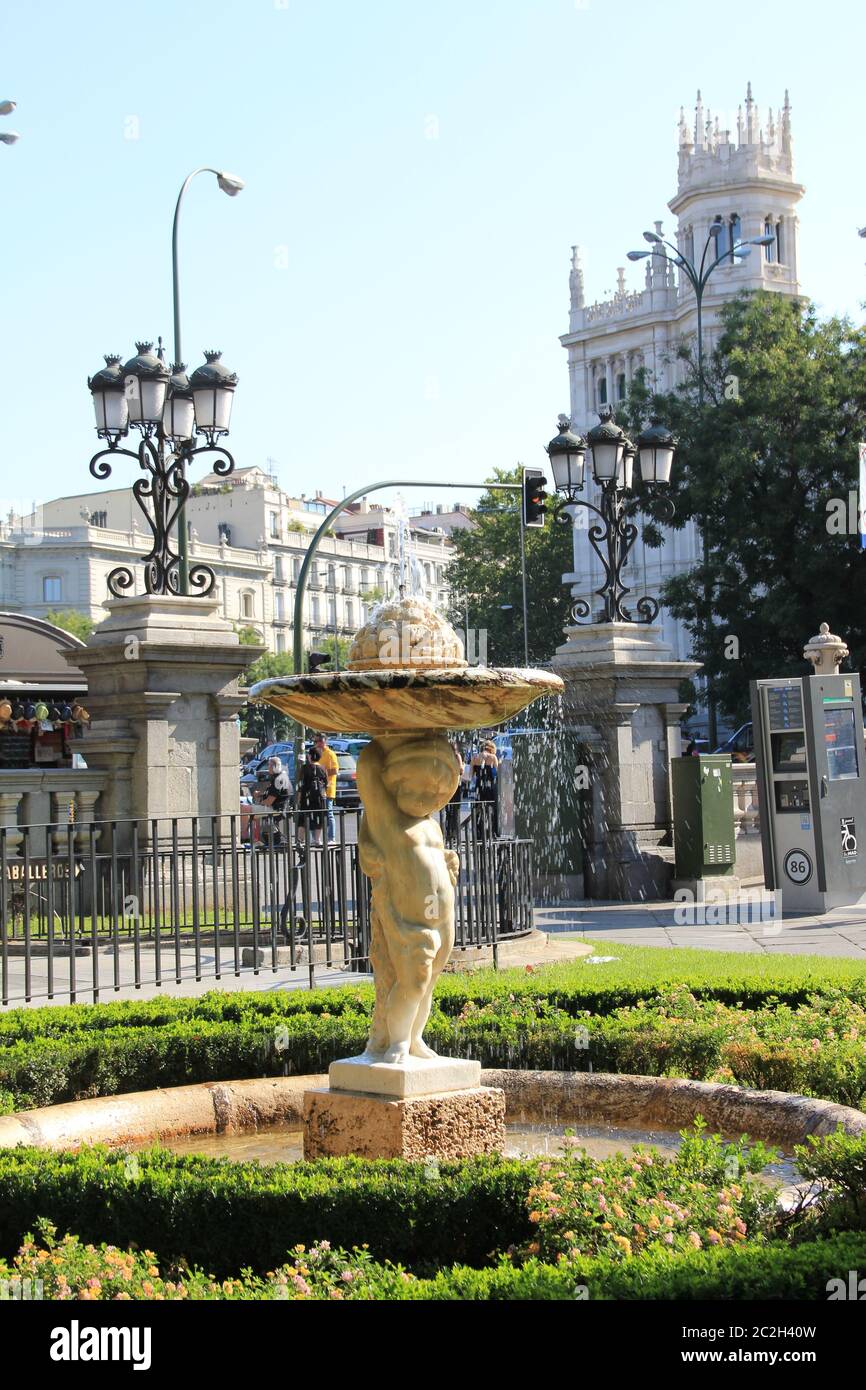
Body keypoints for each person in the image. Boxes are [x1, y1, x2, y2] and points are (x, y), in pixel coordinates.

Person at [297, 748, 328, 847]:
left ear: (310, 756)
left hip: (306, 797)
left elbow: (300, 785)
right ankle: (317, 840)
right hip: (319, 798)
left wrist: (298, 799)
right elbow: (326, 785)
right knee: (318, 817)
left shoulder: (305, 768)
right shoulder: (323, 769)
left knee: (303, 818)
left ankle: (300, 840)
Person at [258, 756, 293, 844]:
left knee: (256, 815)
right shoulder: (280, 776)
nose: (268, 768)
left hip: (277, 809)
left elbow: (270, 800)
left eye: (269, 766)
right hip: (280, 808)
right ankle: (275, 841)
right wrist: (261, 794)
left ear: (275, 767)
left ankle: (280, 841)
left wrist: (260, 803)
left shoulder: (278, 780)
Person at [313, 733, 339, 841]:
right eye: (316, 741)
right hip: (317, 788)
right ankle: (316, 838)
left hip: (328, 788)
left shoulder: (330, 754)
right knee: (316, 814)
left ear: (325, 742)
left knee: (329, 813)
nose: (318, 743)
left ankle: (331, 838)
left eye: (320, 741)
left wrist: (322, 771)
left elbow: (335, 770)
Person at [471, 739, 499, 838]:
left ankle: (478, 834)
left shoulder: (475, 758)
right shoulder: (493, 757)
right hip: (490, 788)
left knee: (478, 811)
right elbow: (498, 773)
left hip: (479, 789)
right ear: (492, 749)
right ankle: (493, 833)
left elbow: (471, 776)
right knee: (493, 811)